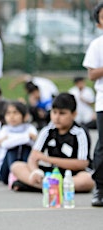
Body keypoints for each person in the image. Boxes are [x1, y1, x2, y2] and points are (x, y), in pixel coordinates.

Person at [10, 93, 94, 193]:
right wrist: (35, 172)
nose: (57, 117)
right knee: (16, 166)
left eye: (62, 113)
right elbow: (34, 156)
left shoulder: (80, 133)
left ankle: (41, 186)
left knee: (87, 180)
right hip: (53, 173)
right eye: (54, 112)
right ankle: (49, 186)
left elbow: (82, 163)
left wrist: (48, 159)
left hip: (72, 175)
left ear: (74, 114)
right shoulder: (47, 130)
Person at [83, 1, 103, 206]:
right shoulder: (97, 45)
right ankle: (100, 188)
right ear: (99, 24)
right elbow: (92, 74)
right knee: (102, 147)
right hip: (102, 102)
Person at [0, 101, 37, 185]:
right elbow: (5, 144)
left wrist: (11, 139)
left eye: (15, 113)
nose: (12, 116)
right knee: (12, 149)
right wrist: (26, 137)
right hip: (6, 169)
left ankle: (24, 174)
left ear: (24, 116)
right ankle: (13, 174)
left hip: (24, 160)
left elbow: (35, 143)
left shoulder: (30, 128)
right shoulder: (5, 129)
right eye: (8, 113)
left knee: (25, 148)